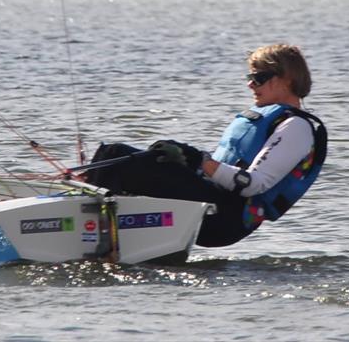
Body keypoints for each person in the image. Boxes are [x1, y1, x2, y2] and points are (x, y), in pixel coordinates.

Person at [85, 44, 327, 248]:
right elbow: (221, 170)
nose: (250, 85)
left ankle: (83, 222)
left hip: (226, 218)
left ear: (287, 79)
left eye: (258, 78)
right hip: (215, 199)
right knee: (119, 155)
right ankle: (86, 207)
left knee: (119, 156)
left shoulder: (296, 127)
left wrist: (197, 160)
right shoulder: (273, 119)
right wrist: (184, 158)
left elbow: (253, 184)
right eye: (249, 78)